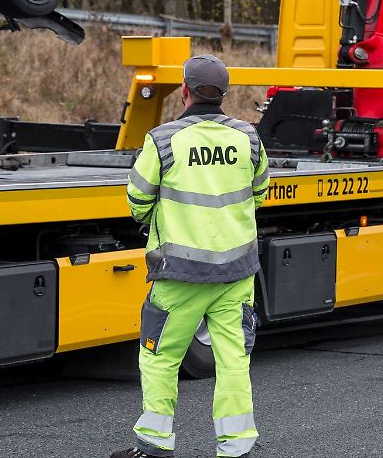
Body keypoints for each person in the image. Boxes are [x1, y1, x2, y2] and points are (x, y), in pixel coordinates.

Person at [112, 54, 270, 458]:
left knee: (161, 357)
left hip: (179, 274)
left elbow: (137, 198)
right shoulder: (249, 139)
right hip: (236, 273)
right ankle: (236, 447)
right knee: (233, 360)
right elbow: (260, 193)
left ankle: (155, 445)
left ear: (184, 90)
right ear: (224, 94)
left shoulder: (163, 140)